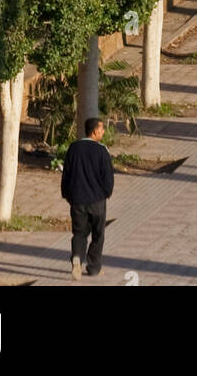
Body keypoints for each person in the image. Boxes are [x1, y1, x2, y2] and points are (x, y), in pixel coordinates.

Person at [61, 116, 115, 280]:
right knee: (98, 234)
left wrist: (67, 195)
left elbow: (67, 174)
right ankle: (94, 267)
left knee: (79, 233)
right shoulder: (101, 151)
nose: (103, 132)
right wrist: (106, 193)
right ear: (95, 131)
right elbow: (108, 177)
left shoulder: (73, 148)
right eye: (102, 129)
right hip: (97, 201)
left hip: (77, 200)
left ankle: (77, 256)